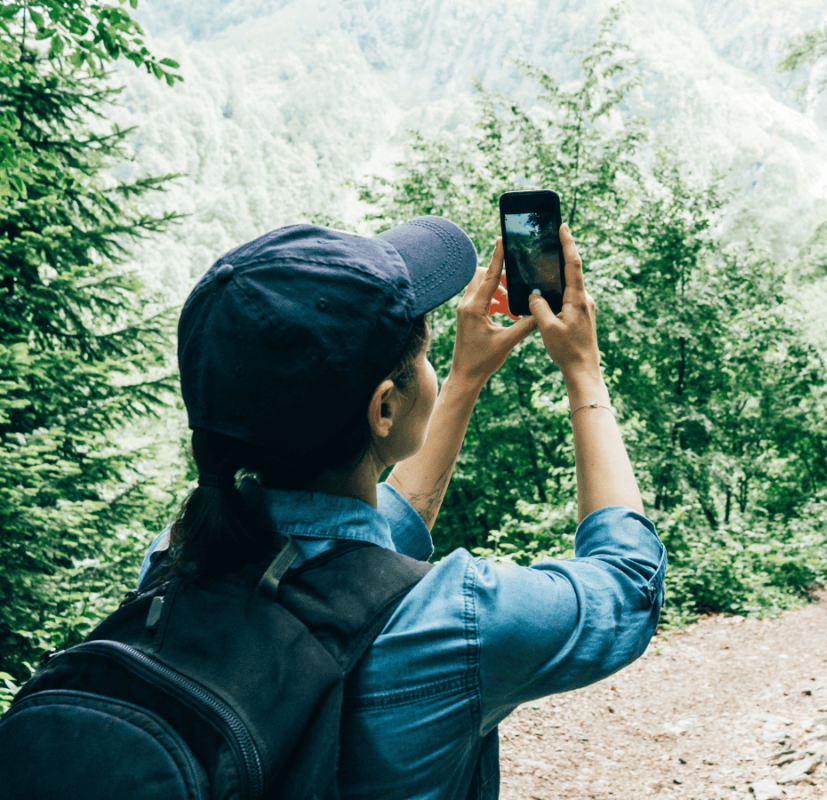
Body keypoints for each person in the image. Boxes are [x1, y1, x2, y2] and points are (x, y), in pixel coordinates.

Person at [142, 219, 665, 799]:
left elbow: (373, 537)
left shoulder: (176, 559)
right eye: (425, 352)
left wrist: (464, 379)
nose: (432, 363)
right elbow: (628, 584)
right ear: (384, 409)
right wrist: (584, 373)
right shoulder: (458, 621)